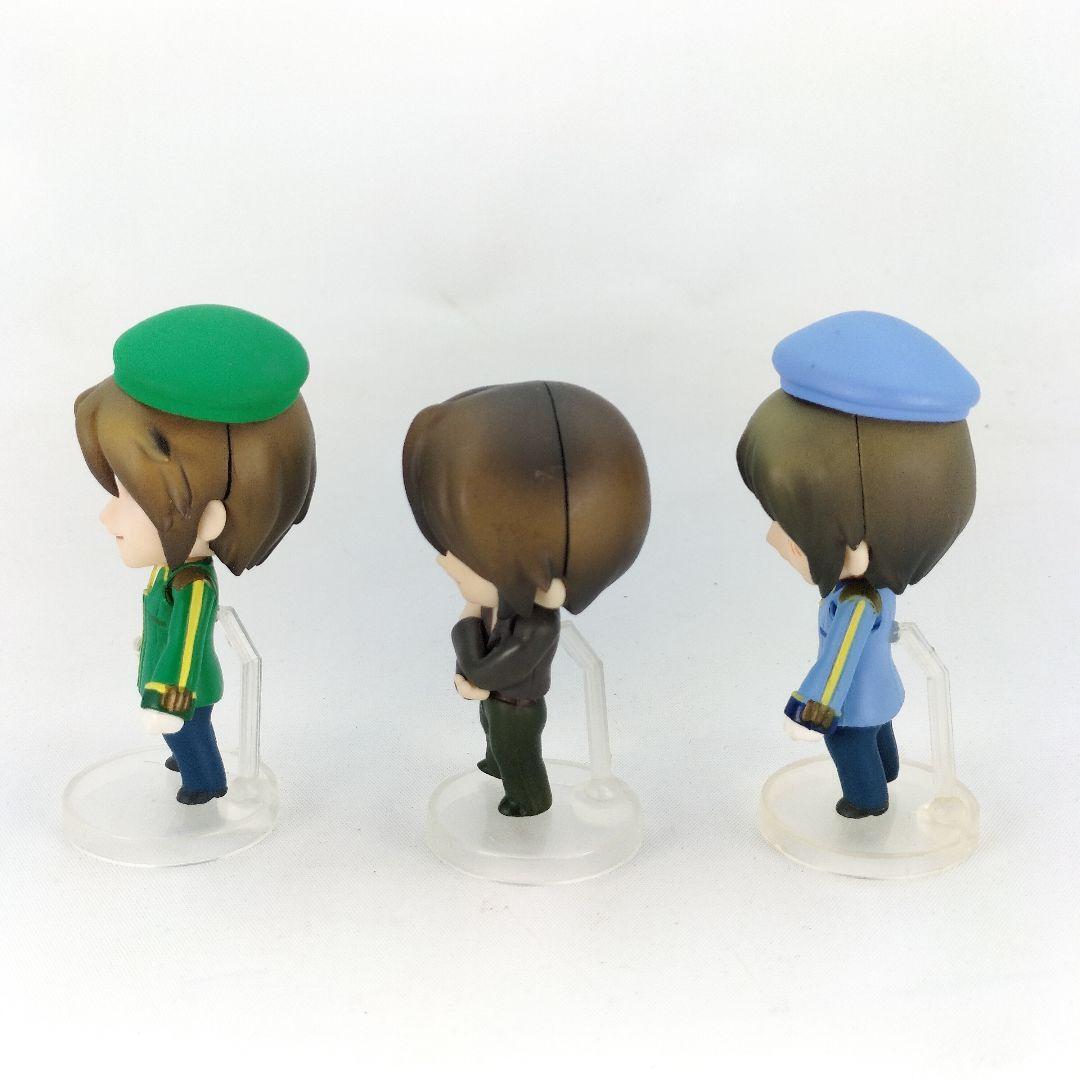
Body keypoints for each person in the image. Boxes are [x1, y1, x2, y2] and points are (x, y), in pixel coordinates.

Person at [737, 311, 979, 817]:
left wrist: (813, 708)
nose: (777, 540)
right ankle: (887, 768)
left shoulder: (854, 601)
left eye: (794, 531)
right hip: (880, 690)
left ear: (861, 542)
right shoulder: (881, 589)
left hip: (853, 698)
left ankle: (867, 799)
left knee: (849, 742)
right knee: (877, 731)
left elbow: (839, 659)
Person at [75, 304, 316, 804]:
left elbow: (186, 640)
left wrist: (169, 695)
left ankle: (205, 781)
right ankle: (186, 756)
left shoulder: (194, 584)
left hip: (185, 685)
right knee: (182, 734)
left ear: (209, 521)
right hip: (165, 669)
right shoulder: (170, 571)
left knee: (188, 731)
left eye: (132, 497)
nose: (107, 516)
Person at [403, 381, 650, 816]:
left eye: (466, 558)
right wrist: (470, 644)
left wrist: (466, 636)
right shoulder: (500, 606)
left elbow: (489, 667)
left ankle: (529, 797)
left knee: (516, 750)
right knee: (493, 736)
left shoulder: (536, 626)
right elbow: (478, 657)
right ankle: (495, 765)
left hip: (517, 708)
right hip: (496, 703)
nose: (447, 564)